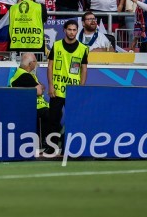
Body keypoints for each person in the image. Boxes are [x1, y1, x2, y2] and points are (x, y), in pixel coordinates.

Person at [47, 19, 88, 148]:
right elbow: (50, 66)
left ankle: (68, 146)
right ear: (64, 30)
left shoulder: (83, 48)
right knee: (53, 119)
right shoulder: (57, 45)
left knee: (72, 120)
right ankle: (51, 146)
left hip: (73, 90)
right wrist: (51, 86)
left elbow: (84, 69)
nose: (71, 32)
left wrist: (80, 88)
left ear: (77, 31)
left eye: (74, 30)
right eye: (69, 29)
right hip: (57, 90)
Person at [9, 52, 51, 153]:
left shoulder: (25, 75)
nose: (36, 64)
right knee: (50, 114)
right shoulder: (24, 76)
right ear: (30, 64)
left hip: (32, 106)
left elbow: (40, 87)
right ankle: (45, 142)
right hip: (32, 107)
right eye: (35, 62)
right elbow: (40, 90)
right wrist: (40, 87)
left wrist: (40, 87)